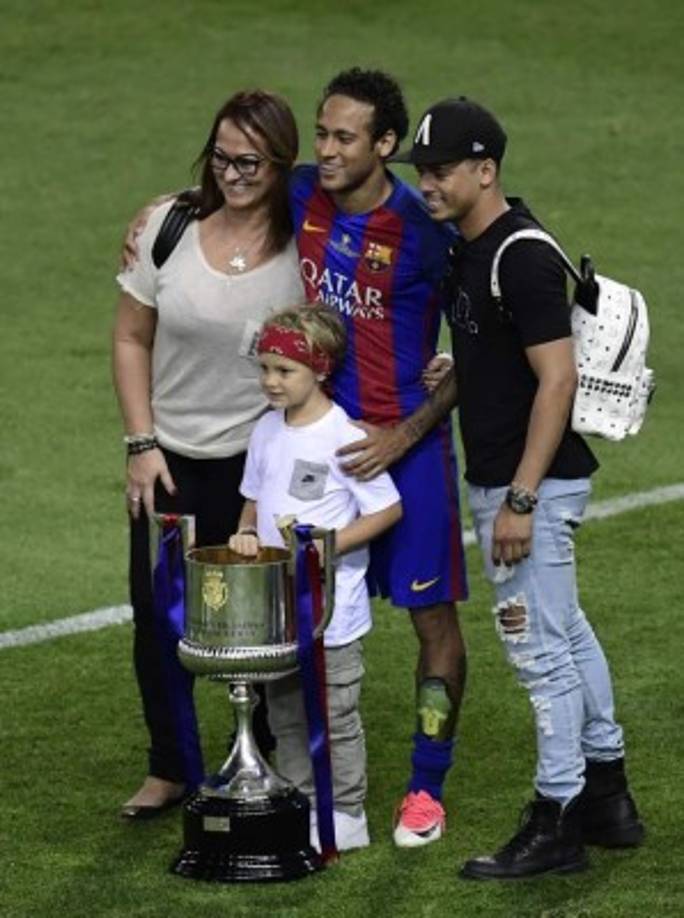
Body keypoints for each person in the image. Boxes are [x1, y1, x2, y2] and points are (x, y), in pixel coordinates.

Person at [122, 69, 469, 847]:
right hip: (306, 438)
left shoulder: (426, 230)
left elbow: (481, 344)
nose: (328, 150)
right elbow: (236, 182)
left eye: (347, 137)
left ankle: (424, 787)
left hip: (399, 445)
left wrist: (407, 432)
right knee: (288, 607)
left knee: (431, 616)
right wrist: (163, 214)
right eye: (322, 134)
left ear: (387, 146)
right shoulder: (305, 192)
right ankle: (286, 771)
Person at [394, 96, 644, 878]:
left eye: (440, 171)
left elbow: (557, 380)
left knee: (538, 655)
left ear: (485, 170)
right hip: (518, 481)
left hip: (527, 488)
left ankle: (558, 818)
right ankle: (607, 801)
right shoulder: (473, 248)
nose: (428, 183)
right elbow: (509, 354)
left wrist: (521, 500)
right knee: (568, 636)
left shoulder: (521, 255)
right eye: (423, 171)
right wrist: (465, 363)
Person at [112, 89, 304, 818]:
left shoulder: (305, 244)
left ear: (282, 163)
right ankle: (172, 767)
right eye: (221, 157)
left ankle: (270, 759)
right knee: (157, 618)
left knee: (264, 623)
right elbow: (132, 336)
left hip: (262, 467)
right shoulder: (167, 227)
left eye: (250, 160)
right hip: (169, 463)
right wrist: (140, 443)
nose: (233, 173)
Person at [228, 303, 402, 851]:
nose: (271, 382)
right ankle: (300, 798)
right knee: (282, 711)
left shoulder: (343, 436)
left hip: (332, 613)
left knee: (335, 711)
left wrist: (325, 549)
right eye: (265, 369)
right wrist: (246, 535)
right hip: (275, 610)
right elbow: (252, 502)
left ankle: (346, 812)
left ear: (321, 368)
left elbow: (386, 509)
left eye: (285, 371)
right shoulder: (264, 430)